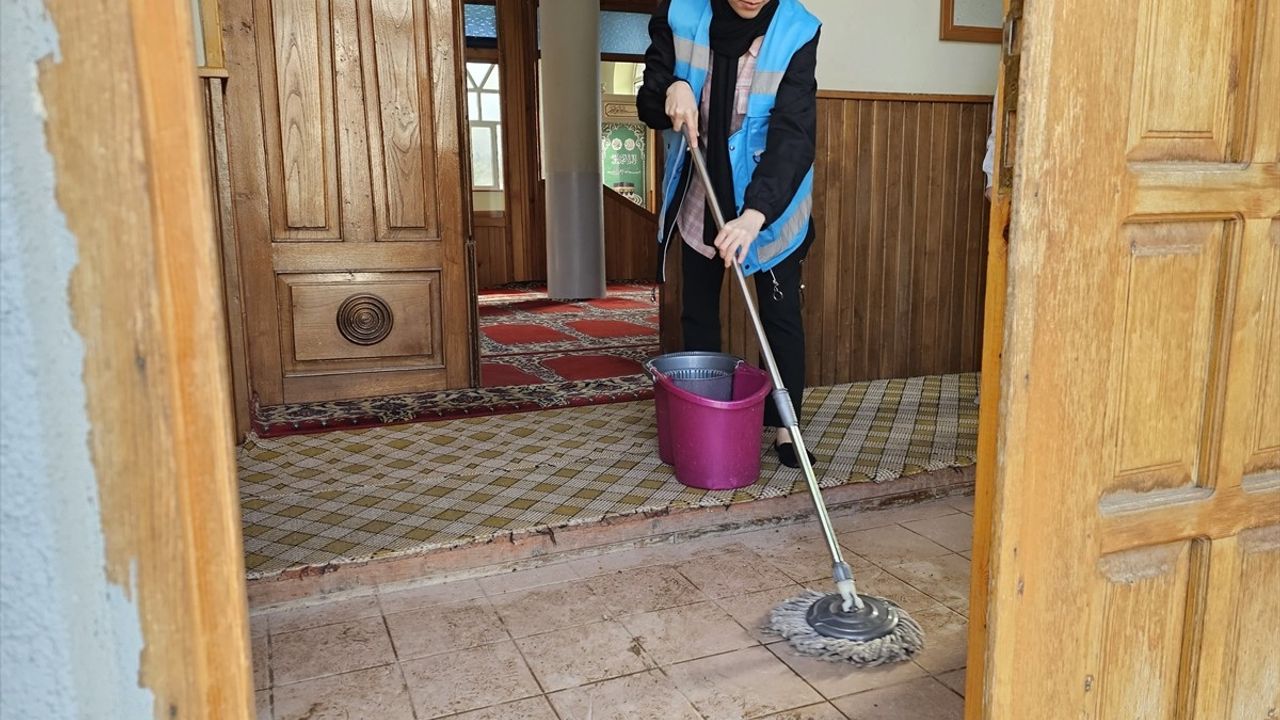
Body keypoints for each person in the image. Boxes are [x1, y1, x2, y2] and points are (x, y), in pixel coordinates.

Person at [637, 0, 821, 468]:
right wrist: (672, 87)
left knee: (780, 316)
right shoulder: (681, 14)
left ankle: (785, 424)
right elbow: (649, 97)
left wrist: (756, 214)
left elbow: (793, 134)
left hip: (769, 201)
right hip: (703, 190)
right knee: (698, 311)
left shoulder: (796, 30)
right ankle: (706, 412)